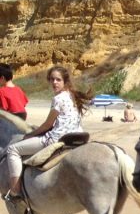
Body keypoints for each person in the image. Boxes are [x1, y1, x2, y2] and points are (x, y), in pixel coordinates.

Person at [4, 66, 88, 200]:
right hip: (76, 136)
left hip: (57, 138)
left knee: (12, 149)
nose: (54, 82)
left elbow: (48, 124)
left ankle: (15, 191)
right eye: (52, 79)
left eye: (58, 80)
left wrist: (30, 135)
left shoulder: (58, 98)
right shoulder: (73, 96)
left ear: (65, 81)